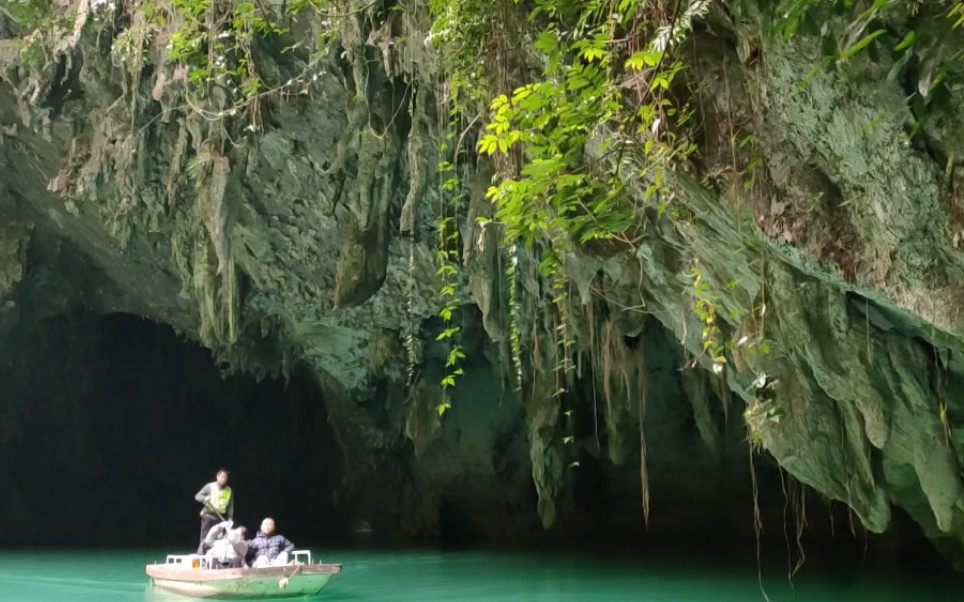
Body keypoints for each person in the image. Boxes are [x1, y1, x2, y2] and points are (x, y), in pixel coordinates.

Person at [195, 469, 234, 554]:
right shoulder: (210, 486)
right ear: (217, 476)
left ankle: (216, 556)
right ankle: (201, 555)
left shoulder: (229, 490)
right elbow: (197, 496)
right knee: (205, 537)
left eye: (226, 477)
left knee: (220, 538)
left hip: (221, 517)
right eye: (222, 476)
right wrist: (204, 498)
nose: (224, 478)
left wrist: (230, 518)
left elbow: (230, 506)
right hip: (209, 515)